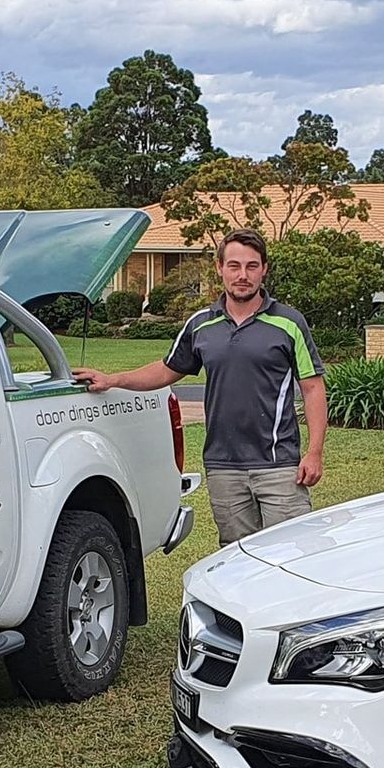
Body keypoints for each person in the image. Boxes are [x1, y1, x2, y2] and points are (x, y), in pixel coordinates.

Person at [75, 227, 327, 543]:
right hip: (224, 467)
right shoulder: (201, 324)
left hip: (279, 465)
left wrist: (314, 453)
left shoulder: (289, 323)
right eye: (234, 266)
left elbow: (313, 388)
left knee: (290, 552)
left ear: (264, 269)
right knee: (237, 558)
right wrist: (113, 380)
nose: (243, 275)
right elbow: (167, 370)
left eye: (252, 266)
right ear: (220, 268)